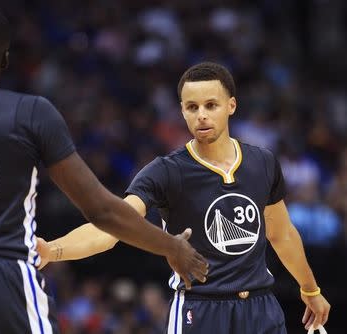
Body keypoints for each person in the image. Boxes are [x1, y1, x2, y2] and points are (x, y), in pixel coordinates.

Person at [0, 7, 208, 334]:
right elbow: (101, 209)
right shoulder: (28, 112)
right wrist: (171, 246)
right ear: (4, 60)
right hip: (1, 276)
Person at [37, 62, 331, 333]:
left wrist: (310, 289)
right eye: (192, 107)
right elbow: (112, 227)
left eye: (210, 105)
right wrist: (52, 249)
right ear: (182, 111)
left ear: (231, 106)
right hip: (200, 308)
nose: (201, 114)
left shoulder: (263, 162)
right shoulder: (166, 171)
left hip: (261, 307)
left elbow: (282, 235)